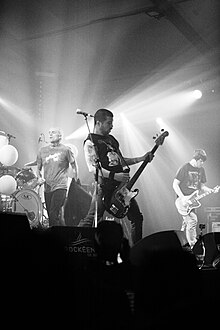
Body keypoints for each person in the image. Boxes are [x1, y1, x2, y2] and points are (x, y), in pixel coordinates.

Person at [78, 108, 153, 245]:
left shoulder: (112, 140)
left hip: (120, 188)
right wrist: (116, 176)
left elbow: (121, 160)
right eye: (108, 123)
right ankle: (75, 244)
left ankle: (137, 250)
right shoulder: (90, 142)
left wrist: (141, 158)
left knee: (137, 218)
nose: (112, 126)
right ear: (98, 123)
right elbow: (93, 169)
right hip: (103, 187)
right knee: (92, 219)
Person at [36, 127, 78, 227]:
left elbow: (74, 165)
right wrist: (39, 177)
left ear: (60, 136)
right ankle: (60, 234)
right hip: (47, 187)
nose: (50, 134)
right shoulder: (42, 150)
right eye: (49, 132)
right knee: (53, 215)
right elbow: (38, 168)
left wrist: (76, 180)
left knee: (53, 212)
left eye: (53, 132)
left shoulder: (66, 150)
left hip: (61, 186)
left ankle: (52, 237)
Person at [173, 149, 215, 248]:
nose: (202, 163)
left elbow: (202, 187)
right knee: (192, 220)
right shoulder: (185, 168)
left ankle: (182, 245)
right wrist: (183, 198)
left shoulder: (201, 170)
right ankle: (194, 246)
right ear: (196, 159)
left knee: (186, 224)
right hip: (183, 202)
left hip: (193, 202)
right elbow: (175, 184)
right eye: (201, 161)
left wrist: (212, 190)